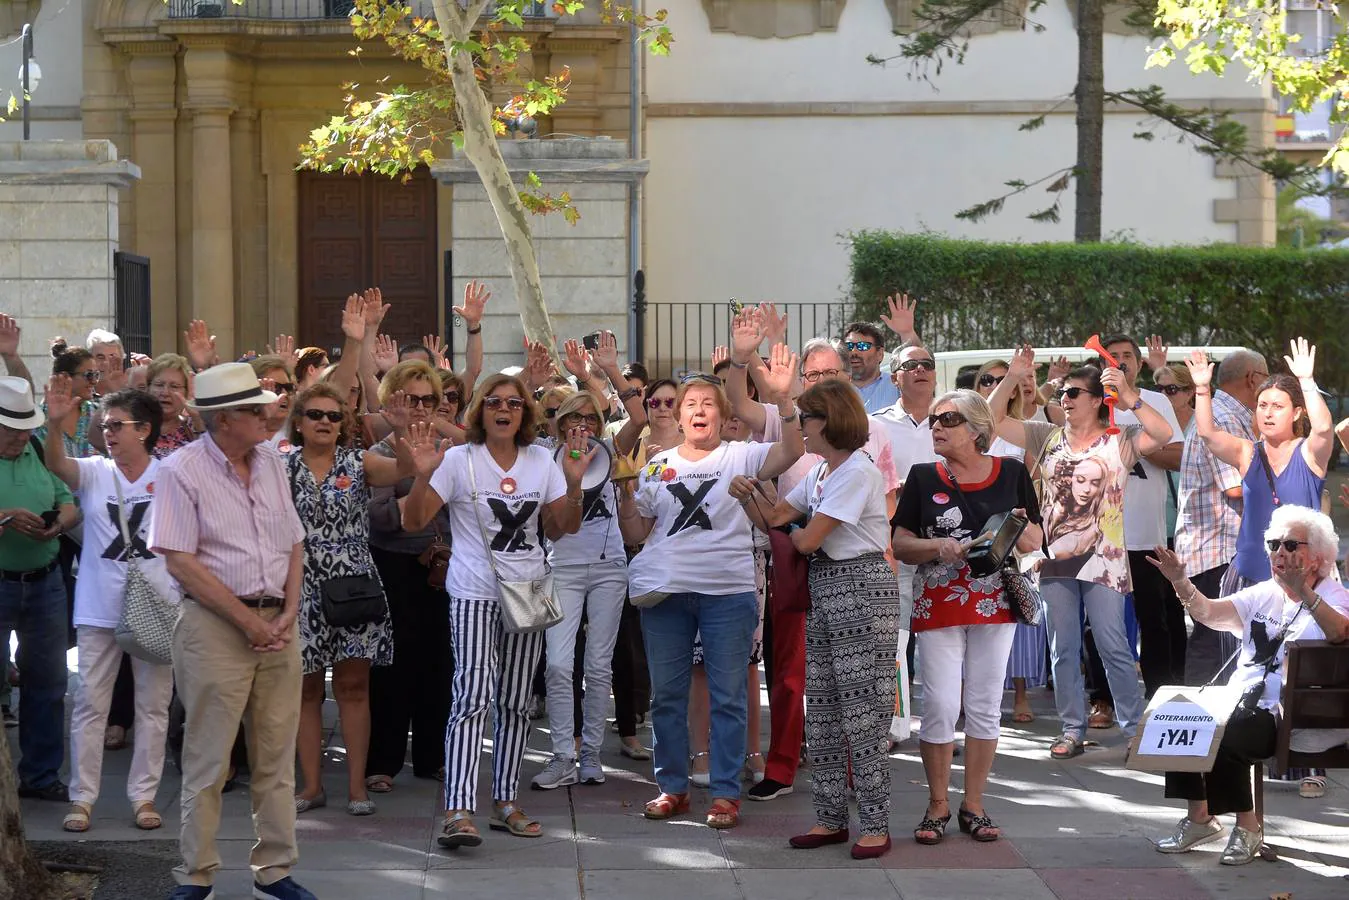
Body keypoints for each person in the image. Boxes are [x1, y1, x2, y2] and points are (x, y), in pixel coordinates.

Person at [147, 362, 317, 900]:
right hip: (215, 627)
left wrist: (288, 611)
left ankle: (275, 871)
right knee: (209, 760)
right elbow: (179, 560)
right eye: (255, 408)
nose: (271, 412)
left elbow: (293, 540)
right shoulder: (180, 470)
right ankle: (196, 875)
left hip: (278, 624)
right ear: (224, 420)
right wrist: (248, 621)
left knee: (275, 755)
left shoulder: (270, 461)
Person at [402, 373, 592, 849]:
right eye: (493, 402)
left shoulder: (541, 462)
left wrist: (573, 484)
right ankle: (459, 808)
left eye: (512, 402)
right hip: (472, 591)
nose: (503, 409)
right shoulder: (457, 459)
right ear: (480, 412)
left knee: (514, 701)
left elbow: (563, 527)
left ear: (525, 413)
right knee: (472, 696)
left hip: (527, 593)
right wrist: (423, 472)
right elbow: (414, 521)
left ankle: (504, 801)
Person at [617, 350, 803, 831]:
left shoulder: (742, 454)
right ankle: (672, 788)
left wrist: (784, 401)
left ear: (723, 415)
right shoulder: (658, 465)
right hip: (666, 595)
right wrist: (623, 494)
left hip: (728, 593)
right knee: (667, 697)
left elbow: (792, 451)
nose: (699, 410)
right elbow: (638, 533)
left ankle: (724, 794)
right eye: (690, 404)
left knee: (727, 697)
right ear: (677, 416)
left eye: (708, 403)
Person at [723, 316, 900, 803]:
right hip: (807, 572)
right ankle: (803, 784)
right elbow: (779, 515)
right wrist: (750, 495)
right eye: (812, 375)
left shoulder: (860, 455)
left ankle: (863, 800)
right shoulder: (819, 463)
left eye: (829, 376)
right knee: (800, 680)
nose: (817, 386)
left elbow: (809, 530)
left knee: (854, 696)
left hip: (853, 577)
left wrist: (798, 524)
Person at [989, 346, 1174, 759]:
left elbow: (1163, 434)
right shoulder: (1047, 435)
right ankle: (1072, 728)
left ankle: (1133, 730)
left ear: (1095, 400)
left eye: (1074, 393)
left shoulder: (1120, 439)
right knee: (1063, 648)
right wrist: (1012, 377)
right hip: (1056, 557)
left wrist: (1130, 398)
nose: (1065, 400)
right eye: (1063, 394)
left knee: (1113, 645)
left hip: (1105, 560)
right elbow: (994, 420)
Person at [1147, 505, 1349, 865]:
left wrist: (1303, 592)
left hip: (1292, 716)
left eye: (1290, 545)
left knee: (1230, 731)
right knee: (1178, 716)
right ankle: (1200, 819)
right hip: (1243, 703)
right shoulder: (1264, 593)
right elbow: (1209, 614)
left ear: (1317, 558)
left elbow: (1340, 633)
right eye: (1274, 544)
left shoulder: (1334, 595)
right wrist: (1181, 581)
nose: (1279, 553)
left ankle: (1248, 827)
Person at [1184, 339, 1335, 798]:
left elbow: (1326, 431)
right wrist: (1203, 390)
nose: (1267, 412)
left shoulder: (1309, 454)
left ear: (1296, 414)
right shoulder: (1248, 453)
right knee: (1254, 671)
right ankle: (1250, 756)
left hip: (1304, 582)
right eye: (1263, 404)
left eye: (1278, 405)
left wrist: (1307, 382)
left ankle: (1311, 764)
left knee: (1302, 673)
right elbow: (1208, 436)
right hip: (1252, 574)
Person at [892, 390, 1043, 845]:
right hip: (938, 598)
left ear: (977, 430)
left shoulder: (1013, 473)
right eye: (934, 418)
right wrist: (936, 546)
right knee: (939, 703)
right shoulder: (922, 477)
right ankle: (937, 803)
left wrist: (1018, 528)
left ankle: (972, 804)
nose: (936, 426)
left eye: (948, 419)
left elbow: (1036, 538)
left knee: (983, 704)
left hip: (995, 600)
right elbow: (899, 543)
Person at [42, 382, 176, 833]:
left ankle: (144, 797)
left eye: (117, 425)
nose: (108, 433)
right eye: (104, 425)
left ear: (144, 429)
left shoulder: (171, 473)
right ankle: (82, 799)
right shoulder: (96, 470)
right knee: (89, 704)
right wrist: (55, 425)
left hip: (158, 608)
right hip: (99, 607)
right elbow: (57, 464)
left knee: (153, 707)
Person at [288, 382, 420, 817]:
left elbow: (405, 469)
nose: (324, 422)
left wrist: (400, 430)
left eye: (332, 415)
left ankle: (356, 788)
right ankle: (311, 786)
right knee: (305, 689)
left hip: (355, 586)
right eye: (315, 415)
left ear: (343, 423)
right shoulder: (282, 465)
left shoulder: (357, 461)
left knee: (353, 687)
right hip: (301, 585)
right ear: (299, 422)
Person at [532, 333, 647, 790]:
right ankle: (562, 754)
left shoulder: (612, 448)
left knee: (599, 666)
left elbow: (638, 416)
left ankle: (591, 757)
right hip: (559, 567)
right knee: (559, 665)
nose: (581, 424)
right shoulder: (543, 456)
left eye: (589, 417)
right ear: (559, 424)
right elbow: (555, 528)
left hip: (608, 569)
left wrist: (607, 370)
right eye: (572, 417)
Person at [364, 360, 456, 792]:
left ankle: (433, 757)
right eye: (411, 399)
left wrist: (415, 509)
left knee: (440, 664)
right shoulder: (382, 452)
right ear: (392, 401)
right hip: (393, 566)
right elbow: (380, 518)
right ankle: (383, 760)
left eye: (429, 400)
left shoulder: (450, 450)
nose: (420, 408)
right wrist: (418, 503)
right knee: (391, 665)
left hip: (444, 567)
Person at [0, 375, 80, 802]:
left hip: (44, 581)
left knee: (48, 684)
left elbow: (67, 500)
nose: (18, 437)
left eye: (23, 428)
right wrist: (7, 517)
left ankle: (40, 776)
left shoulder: (34, 450)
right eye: (10, 429)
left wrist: (58, 524)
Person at [1100, 334, 1186, 702]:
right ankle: (1102, 698)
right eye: (1112, 356)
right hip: (1102, 533)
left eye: (1126, 356)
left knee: (1155, 619)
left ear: (1137, 363)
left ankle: (1160, 696)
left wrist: (1138, 448)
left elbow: (1178, 454)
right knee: (1100, 625)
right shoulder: (1092, 401)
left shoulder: (1153, 402)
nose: (1120, 361)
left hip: (1145, 530)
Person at [1173, 350, 1264, 685]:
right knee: (1213, 644)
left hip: (1218, 548)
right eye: (1266, 380)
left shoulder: (1228, 414)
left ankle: (1212, 728)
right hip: (1217, 549)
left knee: (1223, 644)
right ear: (1253, 379)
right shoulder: (1225, 418)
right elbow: (1236, 489)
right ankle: (1200, 725)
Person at [975, 359, 1050, 723]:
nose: (994, 384)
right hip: (973, 527)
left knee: (1015, 608)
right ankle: (967, 699)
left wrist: (1030, 531)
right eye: (987, 379)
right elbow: (985, 427)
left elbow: (1034, 485)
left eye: (1001, 380)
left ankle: (1020, 694)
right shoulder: (970, 427)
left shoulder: (1026, 430)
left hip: (1014, 526)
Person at [146, 354, 203, 458]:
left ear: (186, 392)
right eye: (159, 385)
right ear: (148, 388)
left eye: (174, 386)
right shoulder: (135, 426)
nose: (165, 392)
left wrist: (197, 419)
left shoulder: (193, 426)